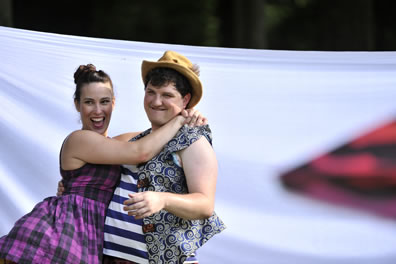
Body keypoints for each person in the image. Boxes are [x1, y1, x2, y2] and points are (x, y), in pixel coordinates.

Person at [0, 64, 205, 264]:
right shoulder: (78, 140)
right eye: (89, 102)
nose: (97, 111)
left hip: (97, 240)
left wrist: (186, 113)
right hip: (65, 233)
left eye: (104, 101)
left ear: (113, 103)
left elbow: (152, 140)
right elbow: (141, 152)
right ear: (77, 104)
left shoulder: (119, 143)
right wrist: (179, 120)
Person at [101, 51, 226, 264]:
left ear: (185, 100)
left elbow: (205, 205)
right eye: (151, 92)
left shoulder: (193, 142)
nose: (156, 101)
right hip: (112, 258)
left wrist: (162, 199)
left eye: (167, 95)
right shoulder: (132, 141)